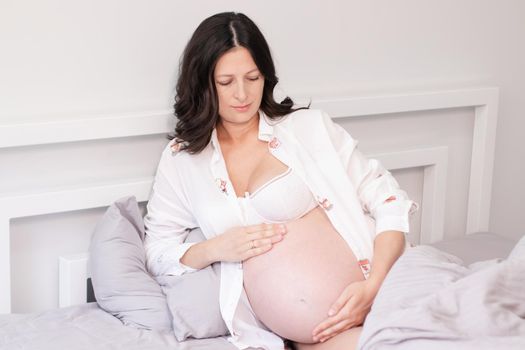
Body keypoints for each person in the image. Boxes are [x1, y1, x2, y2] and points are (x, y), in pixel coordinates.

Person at [143, 12, 417, 350]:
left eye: (253, 77)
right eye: (226, 82)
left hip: (382, 296)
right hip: (311, 338)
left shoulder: (308, 128)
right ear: (202, 84)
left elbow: (389, 201)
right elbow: (156, 252)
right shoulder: (182, 160)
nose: (242, 94)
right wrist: (214, 249)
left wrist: (373, 286)